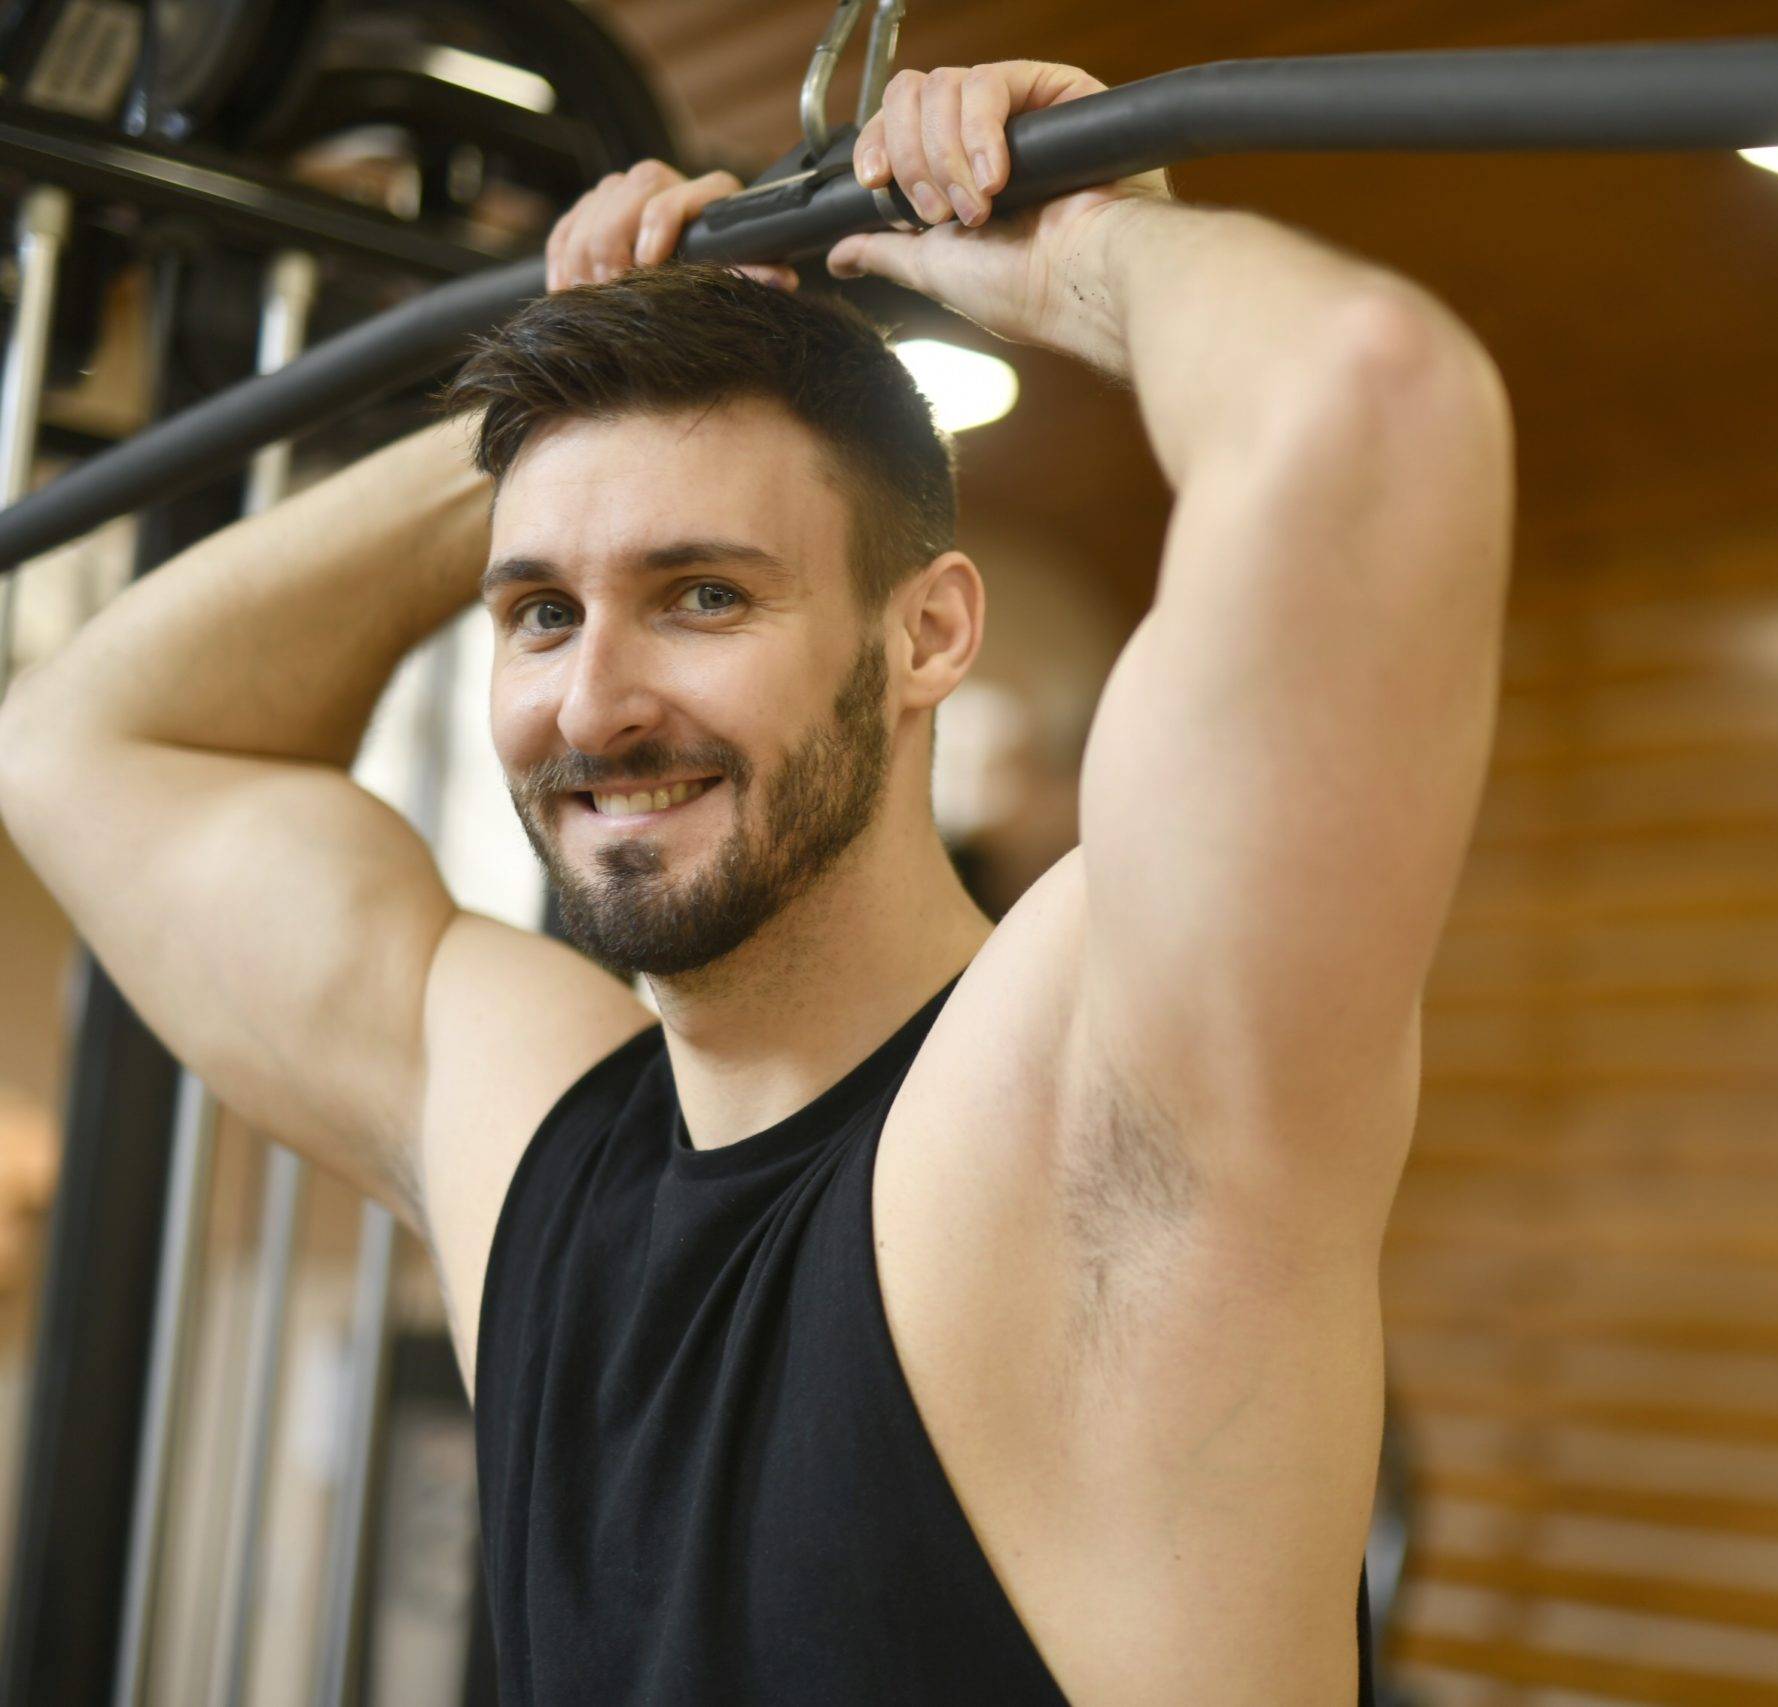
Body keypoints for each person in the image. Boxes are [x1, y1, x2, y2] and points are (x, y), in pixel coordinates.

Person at [0, 57, 1511, 1704]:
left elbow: (1371, 400)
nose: (592, 702)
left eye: (702, 594)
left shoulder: (1086, 1097)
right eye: (539, 610)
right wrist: (557, 397)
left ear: (926, 631)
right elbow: (81, 744)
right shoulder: (532, 1134)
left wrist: (1070, 255)